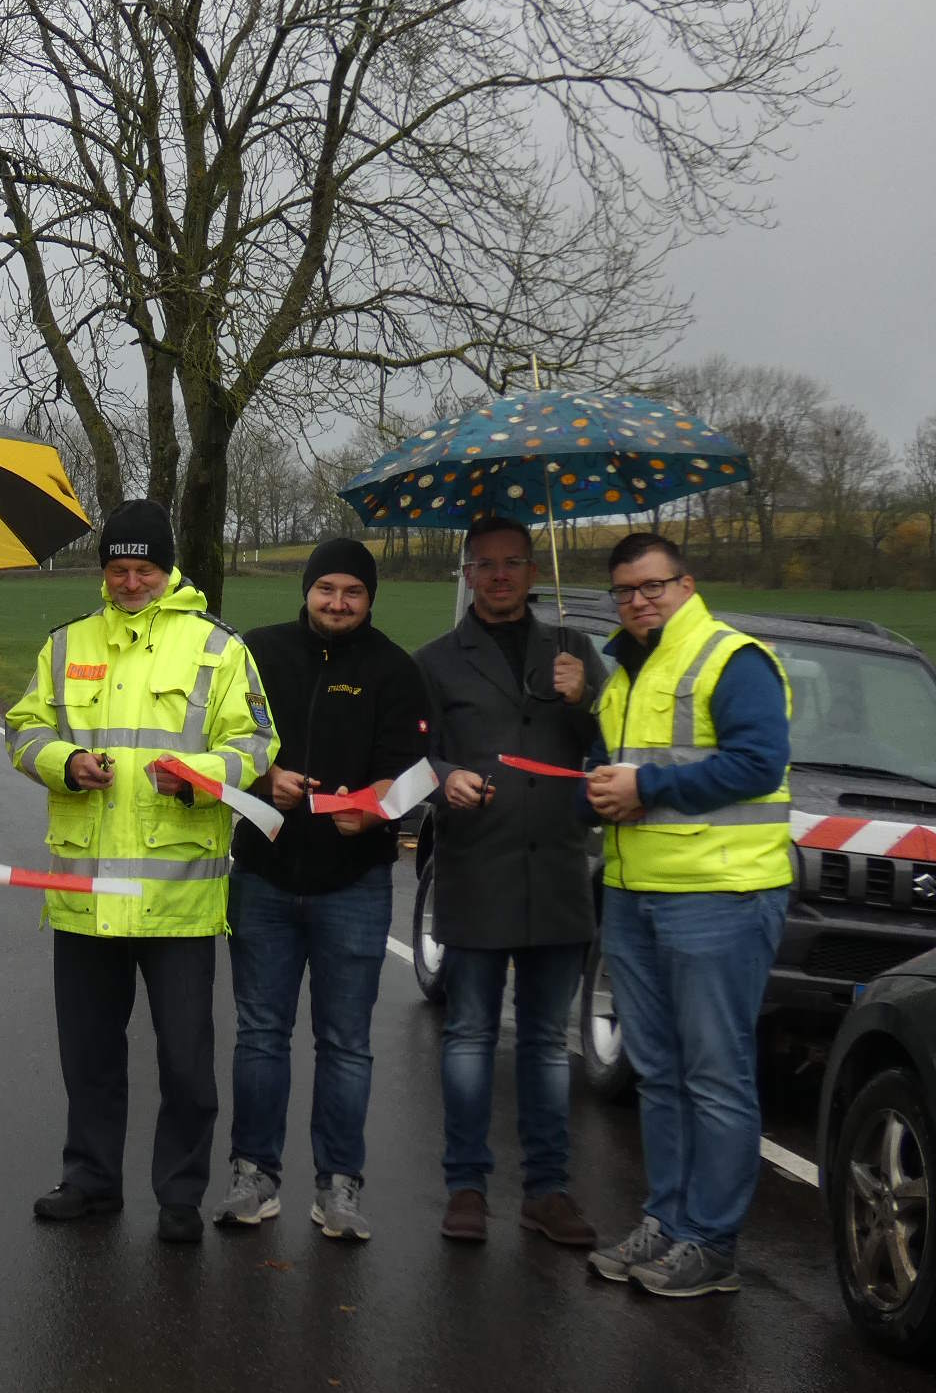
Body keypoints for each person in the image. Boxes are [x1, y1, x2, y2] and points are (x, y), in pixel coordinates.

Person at [5, 500, 275, 1241]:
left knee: (186, 1062)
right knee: (89, 1056)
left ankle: (180, 1195)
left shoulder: (217, 647)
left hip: (176, 896)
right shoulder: (66, 644)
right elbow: (23, 730)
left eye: (144, 570)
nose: (130, 583)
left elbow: (257, 746)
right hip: (84, 893)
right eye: (119, 569)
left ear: (168, 568)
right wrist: (65, 762)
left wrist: (194, 777)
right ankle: (91, 1180)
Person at [585, 533, 791, 1298]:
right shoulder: (625, 673)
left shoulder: (731, 659)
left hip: (719, 894)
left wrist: (644, 790)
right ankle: (667, 1222)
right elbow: (615, 773)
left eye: (653, 586)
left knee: (714, 1075)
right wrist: (596, 789)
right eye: (625, 591)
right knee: (659, 1073)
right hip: (634, 890)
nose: (638, 601)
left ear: (686, 584)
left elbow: (758, 762)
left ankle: (711, 1242)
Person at [215, 538, 430, 1243]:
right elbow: (223, 739)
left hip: (355, 883)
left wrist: (373, 812)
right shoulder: (257, 652)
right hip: (264, 874)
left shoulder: (394, 669)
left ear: (370, 599)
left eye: (353, 592)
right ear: (306, 591)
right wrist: (262, 776)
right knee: (260, 1034)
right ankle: (253, 1175)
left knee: (345, 1042)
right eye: (327, 588)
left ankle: (339, 1184)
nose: (338, 602)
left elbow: (411, 772)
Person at [414, 514, 605, 1247]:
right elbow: (410, 758)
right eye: (485, 564)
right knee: (468, 1035)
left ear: (532, 571)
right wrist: (444, 778)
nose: (499, 575)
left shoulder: (574, 652)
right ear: (467, 575)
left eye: (513, 562)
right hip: (477, 870)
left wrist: (585, 698)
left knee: (547, 1043)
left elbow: (613, 748)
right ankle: (466, 1186)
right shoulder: (436, 662)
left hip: (556, 870)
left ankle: (547, 1191)